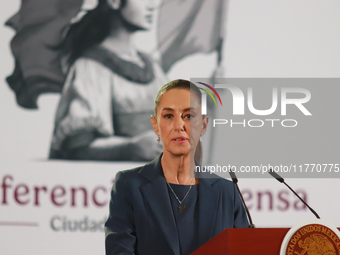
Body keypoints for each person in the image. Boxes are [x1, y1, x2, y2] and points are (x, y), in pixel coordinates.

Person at [105, 79, 249, 255]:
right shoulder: (129, 185)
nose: (179, 125)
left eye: (189, 116)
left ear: (203, 125)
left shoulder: (227, 192)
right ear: (155, 125)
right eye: (168, 116)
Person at [49, 0, 166, 161]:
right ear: (115, 2)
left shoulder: (152, 66)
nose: (152, 6)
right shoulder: (91, 67)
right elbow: (77, 146)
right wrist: (130, 148)